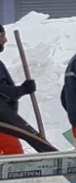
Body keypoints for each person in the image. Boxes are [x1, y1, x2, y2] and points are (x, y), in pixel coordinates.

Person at [0, 25, 37, 155]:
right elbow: (3, 92)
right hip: (3, 123)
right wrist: (23, 89)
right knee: (14, 158)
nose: (5, 40)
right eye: (1, 36)